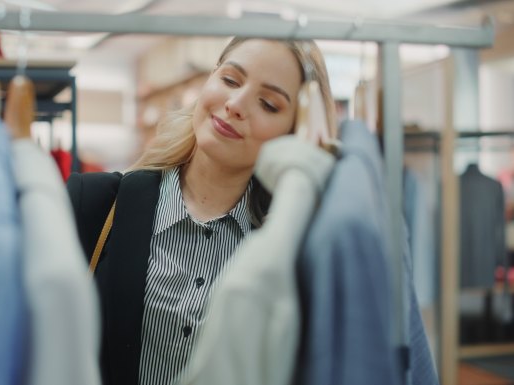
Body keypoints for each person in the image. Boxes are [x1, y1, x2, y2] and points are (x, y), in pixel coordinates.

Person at [66, 37, 337, 385]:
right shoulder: (94, 204)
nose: (236, 104)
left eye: (268, 104)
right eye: (230, 80)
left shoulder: (295, 248)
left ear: (294, 132)